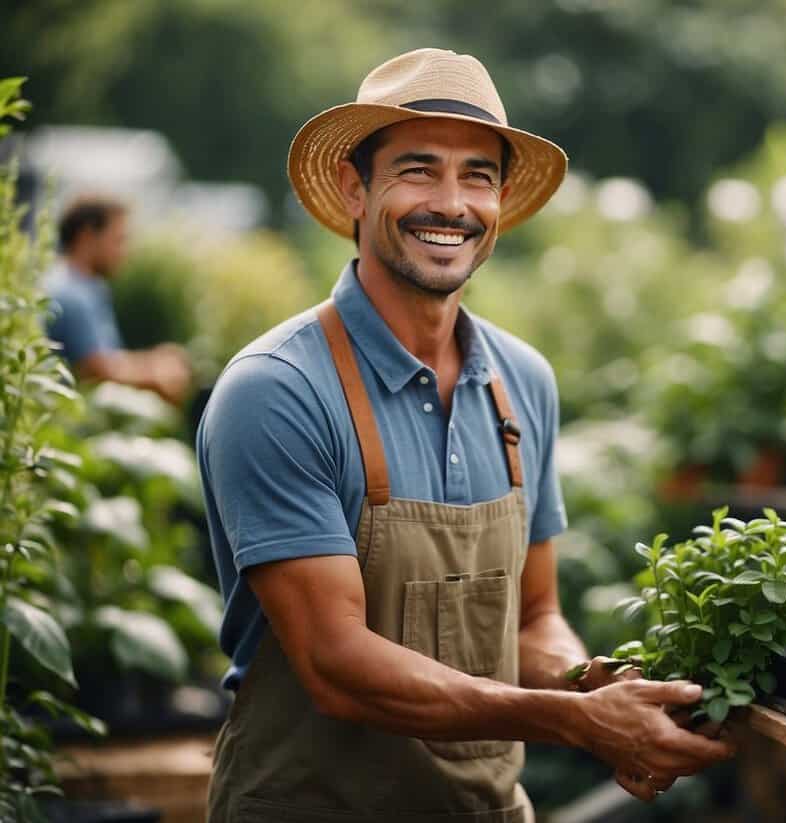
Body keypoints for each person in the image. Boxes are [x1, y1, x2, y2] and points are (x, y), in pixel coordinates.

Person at [198, 49, 734, 822]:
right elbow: (335, 663)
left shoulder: (523, 382)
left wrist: (602, 685)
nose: (451, 203)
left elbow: (532, 617)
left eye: (477, 175)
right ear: (357, 186)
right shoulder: (279, 390)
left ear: (500, 200)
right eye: (417, 169)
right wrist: (575, 721)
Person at [44, 195, 192, 405]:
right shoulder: (70, 293)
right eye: (118, 240)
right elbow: (95, 370)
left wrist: (154, 360)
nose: (125, 252)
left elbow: (107, 357)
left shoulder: (89, 286)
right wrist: (155, 374)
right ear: (87, 236)